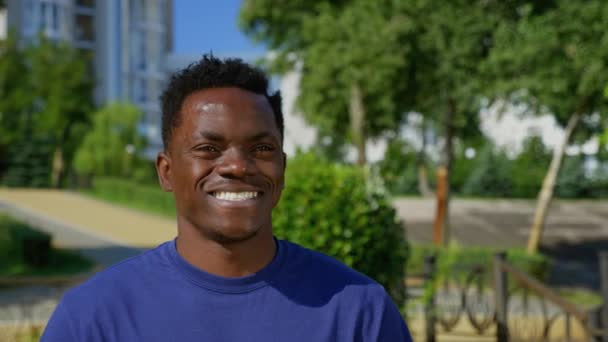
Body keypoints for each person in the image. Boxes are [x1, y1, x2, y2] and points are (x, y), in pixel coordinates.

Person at [41, 55, 412, 341]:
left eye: (262, 148)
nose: (237, 166)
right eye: (208, 147)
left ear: (281, 169)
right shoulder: (92, 319)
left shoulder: (360, 312)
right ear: (166, 171)